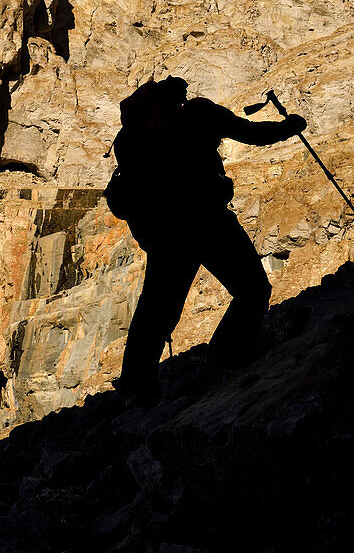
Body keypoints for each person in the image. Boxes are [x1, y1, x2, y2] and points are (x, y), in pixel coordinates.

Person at [105, 77, 306, 407]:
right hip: (209, 222)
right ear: (181, 96)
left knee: (156, 311)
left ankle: (136, 387)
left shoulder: (132, 136)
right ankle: (226, 354)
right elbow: (252, 134)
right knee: (253, 289)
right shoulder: (200, 113)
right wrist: (290, 126)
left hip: (165, 234)